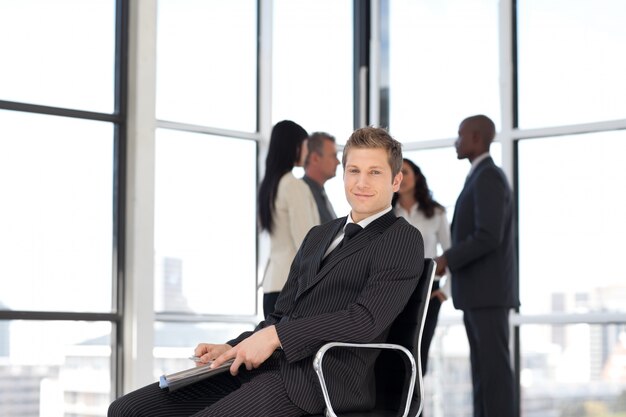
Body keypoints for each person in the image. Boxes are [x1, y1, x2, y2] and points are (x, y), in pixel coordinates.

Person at [108, 126, 425, 417]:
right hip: (266, 367)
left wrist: (277, 337)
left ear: (395, 181)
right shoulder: (319, 235)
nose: (361, 182)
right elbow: (279, 316)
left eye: (374, 172)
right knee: (127, 410)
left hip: (321, 381)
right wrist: (234, 347)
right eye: (354, 170)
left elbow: (364, 321)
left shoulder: (402, 239)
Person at [434, 115, 519, 417]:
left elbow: (488, 236)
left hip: (488, 296)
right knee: (484, 375)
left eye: (460, 135)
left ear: (476, 138)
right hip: (480, 296)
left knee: (493, 377)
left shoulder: (488, 177)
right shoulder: (478, 176)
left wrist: (447, 259)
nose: (456, 142)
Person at [392, 158, 450, 378]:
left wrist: (445, 293)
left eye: (406, 172)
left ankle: (417, 409)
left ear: (416, 176)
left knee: (419, 355)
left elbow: (449, 253)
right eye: (397, 173)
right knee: (397, 353)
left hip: (428, 292)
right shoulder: (388, 213)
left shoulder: (436, 213)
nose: (402, 177)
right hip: (396, 292)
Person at [258, 120, 320, 318]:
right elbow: (308, 241)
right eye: (304, 146)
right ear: (294, 147)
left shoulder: (269, 186)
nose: (307, 152)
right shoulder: (293, 185)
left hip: (272, 284)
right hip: (291, 288)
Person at [302, 131, 340, 224]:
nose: (338, 162)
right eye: (333, 156)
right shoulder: (302, 193)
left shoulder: (320, 192)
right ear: (315, 158)